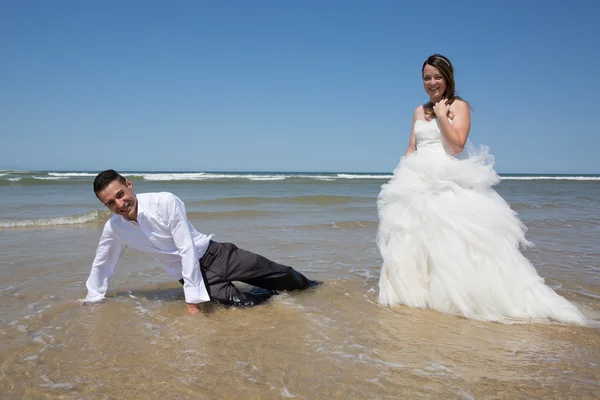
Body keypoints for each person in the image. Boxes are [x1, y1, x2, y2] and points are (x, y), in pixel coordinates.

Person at [376, 54, 586, 325]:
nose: (432, 82)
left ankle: (462, 297)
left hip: (447, 178)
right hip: (417, 181)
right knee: (412, 239)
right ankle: (418, 299)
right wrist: (401, 177)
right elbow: (411, 148)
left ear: (447, 77)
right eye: (427, 77)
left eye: (437, 76)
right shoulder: (418, 111)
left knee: (452, 240)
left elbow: (457, 146)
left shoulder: (458, 106)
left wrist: (442, 117)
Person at [83, 169, 321, 315]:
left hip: (217, 255)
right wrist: (94, 296)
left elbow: (186, 247)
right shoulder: (115, 228)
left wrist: (192, 301)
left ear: (129, 184)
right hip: (192, 276)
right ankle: (281, 303)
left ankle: (316, 289)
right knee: (244, 304)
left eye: (120, 195)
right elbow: (103, 261)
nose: (119, 204)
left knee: (283, 276)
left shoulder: (165, 201)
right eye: (110, 203)